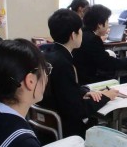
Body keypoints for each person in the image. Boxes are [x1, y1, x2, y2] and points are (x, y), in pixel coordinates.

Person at [41, 9, 119, 137]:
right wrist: (106, 96)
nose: (82, 33)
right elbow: (77, 109)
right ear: (73, 35)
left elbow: (64, 90)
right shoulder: (63, 64)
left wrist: (84, 92)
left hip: (48, 125)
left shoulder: (48, 55)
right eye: (80, 30)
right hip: (68, 131)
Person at [72, 4, 127, 85]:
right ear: (99, 25)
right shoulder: (93, 39)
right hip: (90, 82)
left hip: (82, 77)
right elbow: (107, 63)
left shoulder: (84, 34)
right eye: (107, 21)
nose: (108, 25)